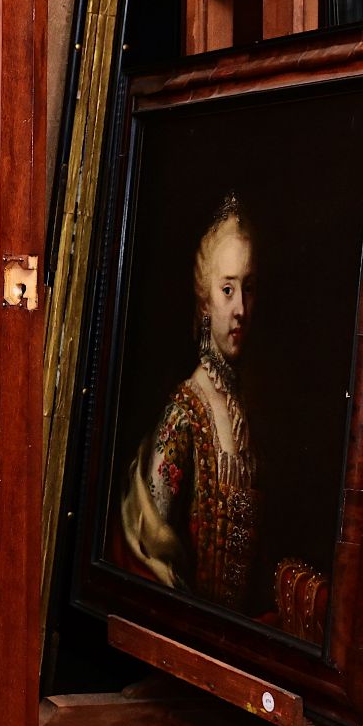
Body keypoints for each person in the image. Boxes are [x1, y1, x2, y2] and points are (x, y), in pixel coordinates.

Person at [117, 193, 257, 611]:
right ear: (204, 302)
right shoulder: (185, 410)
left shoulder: (243, 402)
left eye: (249, 289)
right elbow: (152, 546)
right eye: (228, 289)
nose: (240, 310)